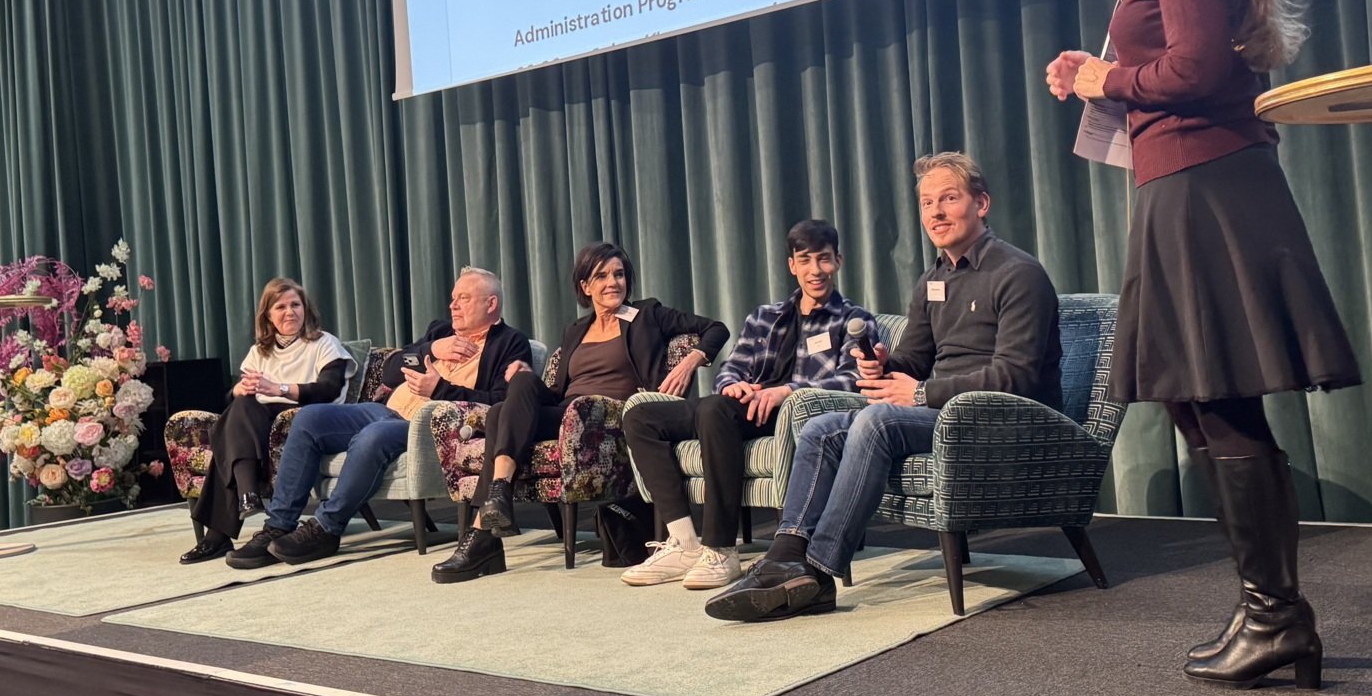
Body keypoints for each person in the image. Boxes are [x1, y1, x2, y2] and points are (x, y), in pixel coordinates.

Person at [1046, 0, 1360, 690]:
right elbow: (1181, 62)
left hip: (1201, 188)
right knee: (1200, 399)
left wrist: (1111, 72)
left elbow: (1195, 67)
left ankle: (1275, 615)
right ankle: (1273, 611)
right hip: (1195, 183)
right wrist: (1101, 75)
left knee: (1215, 398)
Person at [705, 152, 1061, 621]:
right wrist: (879, 363)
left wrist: (918, 393)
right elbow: (913, 359)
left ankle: (816, 570)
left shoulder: (1018, 273)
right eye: (927, 202)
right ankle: (785, 555)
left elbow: (1017, 374)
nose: (935, 212)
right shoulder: (932, 279)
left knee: (876, 421)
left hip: (1006, 416)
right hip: (948, 414)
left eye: (949, 199)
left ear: (982, 203)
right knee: (820, 428)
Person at [431, 241, 730, 583]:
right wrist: (524, 381)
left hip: (607, 419)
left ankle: (483, 536)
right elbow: (556, 392)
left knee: (503, 413)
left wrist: (693, 359)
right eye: (601, 276)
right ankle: (495, 501)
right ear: (586, 287)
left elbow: (716, 328)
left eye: (618, 274)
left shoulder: (647, 314)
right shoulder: (576, 330)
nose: (612, 282)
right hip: (566, 415)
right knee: (509, 402)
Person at [619, 219, 875, 591]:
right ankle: (685, 542)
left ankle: (721, 548)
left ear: (839, 261)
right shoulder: (764, 317)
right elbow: (731, 366)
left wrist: (786, 390)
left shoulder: (853, 320)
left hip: (793, 416)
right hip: (743, 407)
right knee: (641, 414)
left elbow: (854, 380)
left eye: (824, 259)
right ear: (792, 265)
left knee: (713, 410)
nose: (815, 270)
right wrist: (733, 385)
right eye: (805, 260)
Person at [224, 266, 532, 569]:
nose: (453, 305)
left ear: (490, 304)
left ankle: (326, 528)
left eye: (463, 298)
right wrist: (433, 347)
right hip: (386, 409)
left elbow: (501, 404)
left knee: (372, 436)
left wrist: (440, 389)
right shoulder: (440, 331)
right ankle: (279, 525)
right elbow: (391, 367)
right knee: (309, 419)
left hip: (426, 425)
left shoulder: (509, 343)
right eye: (453, 297)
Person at [179, 278, 355, 563]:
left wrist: (280, 389)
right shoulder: (260, 351)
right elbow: (232, 400)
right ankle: (243, 500)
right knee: (241, 406)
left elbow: (329, 388)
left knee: (233, 426)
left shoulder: (324, 343)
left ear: (306, 309)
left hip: (307, 420)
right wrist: (238, 390)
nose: (290, 312)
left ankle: (219, 532)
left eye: (295, 305)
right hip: (256, 426)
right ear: (268, 316)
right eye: (281, 307)